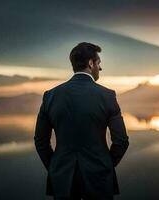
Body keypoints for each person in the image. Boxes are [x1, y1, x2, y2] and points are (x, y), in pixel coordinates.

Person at [34, 42, 129, 200]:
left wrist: (56, 167)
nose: (100, 68)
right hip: (99, 180)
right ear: (91, 63)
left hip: (62, 180)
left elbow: (40, 141)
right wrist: (104, 166)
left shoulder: (50, 96)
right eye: (99, 63)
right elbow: (121, 141)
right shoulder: (107, 96)